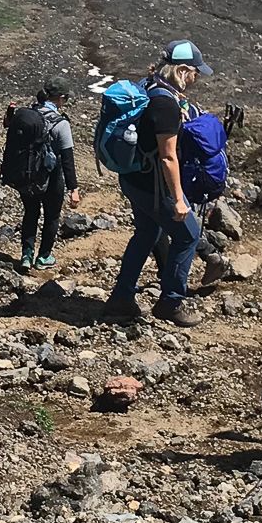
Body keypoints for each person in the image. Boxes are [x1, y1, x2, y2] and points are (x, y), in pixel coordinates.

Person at [105, 40, 212, 327]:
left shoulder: (148, 86)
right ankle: (170, 302)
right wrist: (178, 199)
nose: (196, 78)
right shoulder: (165, 104)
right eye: (194, 72)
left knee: (147, 234)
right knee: (187, 236)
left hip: (134, 180)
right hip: (155, 187)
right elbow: (167, 158)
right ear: (182, 70)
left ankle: (121, 299)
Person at [14, 78, 82, 269]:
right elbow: (67, 158)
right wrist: (73, 188)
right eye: (65, 98)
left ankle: (26, 255)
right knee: (52, 216)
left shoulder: (29, 115)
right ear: (60, 98)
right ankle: (44, 257)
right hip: (52, 177)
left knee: (30, 213)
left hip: (28, 175)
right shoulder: (61, 124)